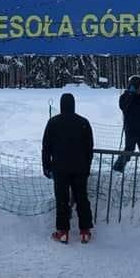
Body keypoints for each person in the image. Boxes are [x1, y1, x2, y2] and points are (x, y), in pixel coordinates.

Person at [42, 92, 94, 244]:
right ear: (73, 104)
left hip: (60, 168)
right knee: (82, 198)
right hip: (80, 167)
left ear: (61, 105)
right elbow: (89, 148)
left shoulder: (53, 122)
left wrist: (46, 167)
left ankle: (63, 232)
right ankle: (85, 231)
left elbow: (46, 147)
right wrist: (87, 167)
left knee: (62, 199)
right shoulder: (83, 122)